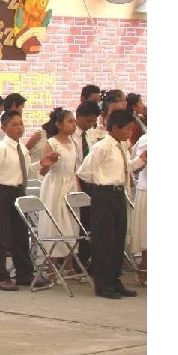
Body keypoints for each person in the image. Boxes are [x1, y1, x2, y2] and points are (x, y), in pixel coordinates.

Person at [0, 110, 58, 291]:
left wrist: (43, 163)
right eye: (14, 125)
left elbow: (28, 170)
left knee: (20, 233)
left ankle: (24, 273)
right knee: (0, 234)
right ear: (4, 128)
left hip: (19, 191)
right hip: (3, 191)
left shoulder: (21, 148)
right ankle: (0, 276)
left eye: (21, 124)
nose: (19, 128)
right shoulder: (0, 149)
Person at [76, 109, 147, 299]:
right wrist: (99, 184)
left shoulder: (120, 146)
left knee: (117, 238)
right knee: (105, 240)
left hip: (118, 193)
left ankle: (115, 279)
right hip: (104, 193)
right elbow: (84, 171)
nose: (130, 133)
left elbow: (124, 168)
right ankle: (103, 283)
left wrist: (140, 160)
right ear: (115, 128)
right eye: (127, 129)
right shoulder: (103, 147)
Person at [37, 108, 79, 275]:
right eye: (70, 121)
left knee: (71, 223)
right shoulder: (51, 143)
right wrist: (48, 163)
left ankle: (69, 265)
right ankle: (51, 266)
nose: (74, 124)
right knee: (54, 223)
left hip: (70, 185)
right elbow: (43, 170)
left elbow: (75, 169)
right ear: (58, 124)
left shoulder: (73, 143)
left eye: (74, 121)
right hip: (55, 185)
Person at [71, 101, 101, 269]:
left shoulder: (89, 134)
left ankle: (86, 259)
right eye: (88, 121)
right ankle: (76, 260)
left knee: (90, 221)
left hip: (90, 179)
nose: (91, 125)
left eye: (93, 121)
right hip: (76, 179)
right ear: (79, 117)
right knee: (79, 221)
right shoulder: (70, 134)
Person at [130, 134, 147, 284]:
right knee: (147, 233)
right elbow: (136, 162)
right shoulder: (146, 139)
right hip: (148, 189)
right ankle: (144, 268)